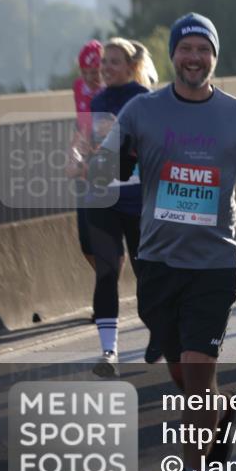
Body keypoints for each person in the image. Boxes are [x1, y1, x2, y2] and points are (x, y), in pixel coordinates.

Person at [88, 13, 236, 471]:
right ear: (173, 55)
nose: (194, 58)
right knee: (183, 373)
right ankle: (222, 415)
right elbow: (108, 166)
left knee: (198, 372)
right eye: (186, 49)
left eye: (204, 49)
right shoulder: (142, 110)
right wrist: (105, 163)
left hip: (214, 264)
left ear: (214, 57)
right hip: (157, 262)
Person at [82, 38, 154, 377]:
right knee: (106, 271)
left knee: (146, 271)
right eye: (103, 62)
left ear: (130, 66)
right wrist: (82, 157)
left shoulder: (144, 99)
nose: (106, 67)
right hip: (102, 197)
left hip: (137, 197)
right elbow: (89, 144)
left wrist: (124, 140)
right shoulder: (97, 100)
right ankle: (109, 351)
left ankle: (159, 330)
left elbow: (156, 145)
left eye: (113, 61)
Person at [67, 40, 105, 276]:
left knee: (109, 239)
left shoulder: (112, 89)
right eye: (85, 72)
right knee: (86, 243)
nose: (91, 78)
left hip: (111, 162)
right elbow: (80, 126)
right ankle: (106, 280)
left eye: (95, 72)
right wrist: (73, 153)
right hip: (86, 161)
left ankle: (107, 286)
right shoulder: (78, 87)